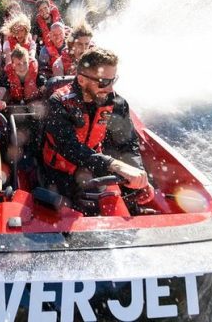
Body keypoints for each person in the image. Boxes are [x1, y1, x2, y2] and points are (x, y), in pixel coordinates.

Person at [42, 48, 151, 216]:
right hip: (60, 172)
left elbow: (128, 143)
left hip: (96, 165)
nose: (110, 88)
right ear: (82, 80)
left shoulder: (117, 103)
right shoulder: (58, 102)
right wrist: (114, 165)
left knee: (127, 208)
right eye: (103, 82)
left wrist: (138, 175)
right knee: (69, 215)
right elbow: (69, 147)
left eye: (113, 80)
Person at [0, 45, 46, 111]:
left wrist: (44, 103)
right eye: (18, 64)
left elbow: (44, 89)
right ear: (13, 65)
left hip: (33, 105)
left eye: (25, 63)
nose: (22, 67)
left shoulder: (36, 73)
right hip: (16, 106)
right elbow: (1, 90)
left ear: (29, 63)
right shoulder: (8, 74)